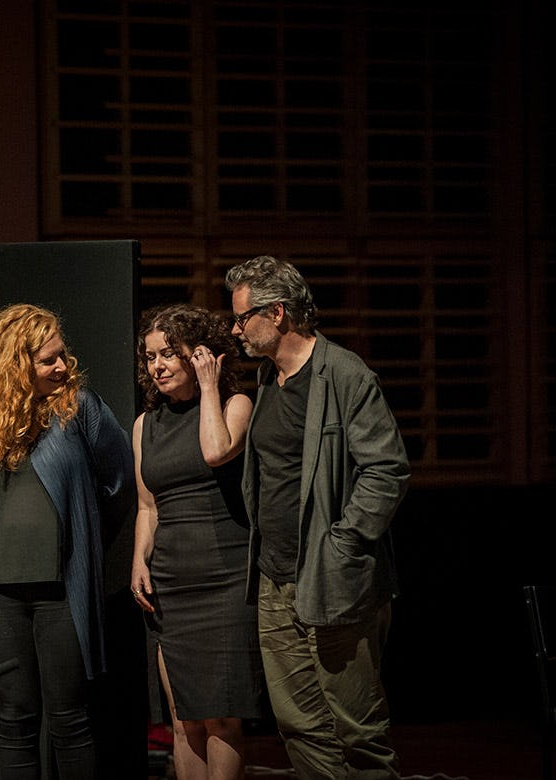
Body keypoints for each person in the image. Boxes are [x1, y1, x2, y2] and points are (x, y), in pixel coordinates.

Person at [224, 256, 410, 779]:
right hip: (275, 581)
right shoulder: (266, 379)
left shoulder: (344, 374)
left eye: (243, 318)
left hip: (334, 580)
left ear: (277, 313)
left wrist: (343, 544)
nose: (236, 329)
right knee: (299, 726)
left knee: (357, 731)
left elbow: (387, 470)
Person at [0, 303, 134, 779]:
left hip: (61, 590)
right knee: (13, 721)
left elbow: (120, 485)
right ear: (16, 365)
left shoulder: (80, 410)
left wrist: (86, 544)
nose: (62, 366)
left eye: (62, 355)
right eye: (47, 359)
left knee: (69, 720)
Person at [130, 304, 264, 780]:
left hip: (225, 579)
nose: (158, 366)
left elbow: (214, 450)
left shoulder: (236, 405)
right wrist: (138, 562)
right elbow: (148, 507)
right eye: (150, 357)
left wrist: (210, 386)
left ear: (202, 355)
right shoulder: (146, 425)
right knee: (184, 719)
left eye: (170, 354)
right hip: (172, 582)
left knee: (222, 717)